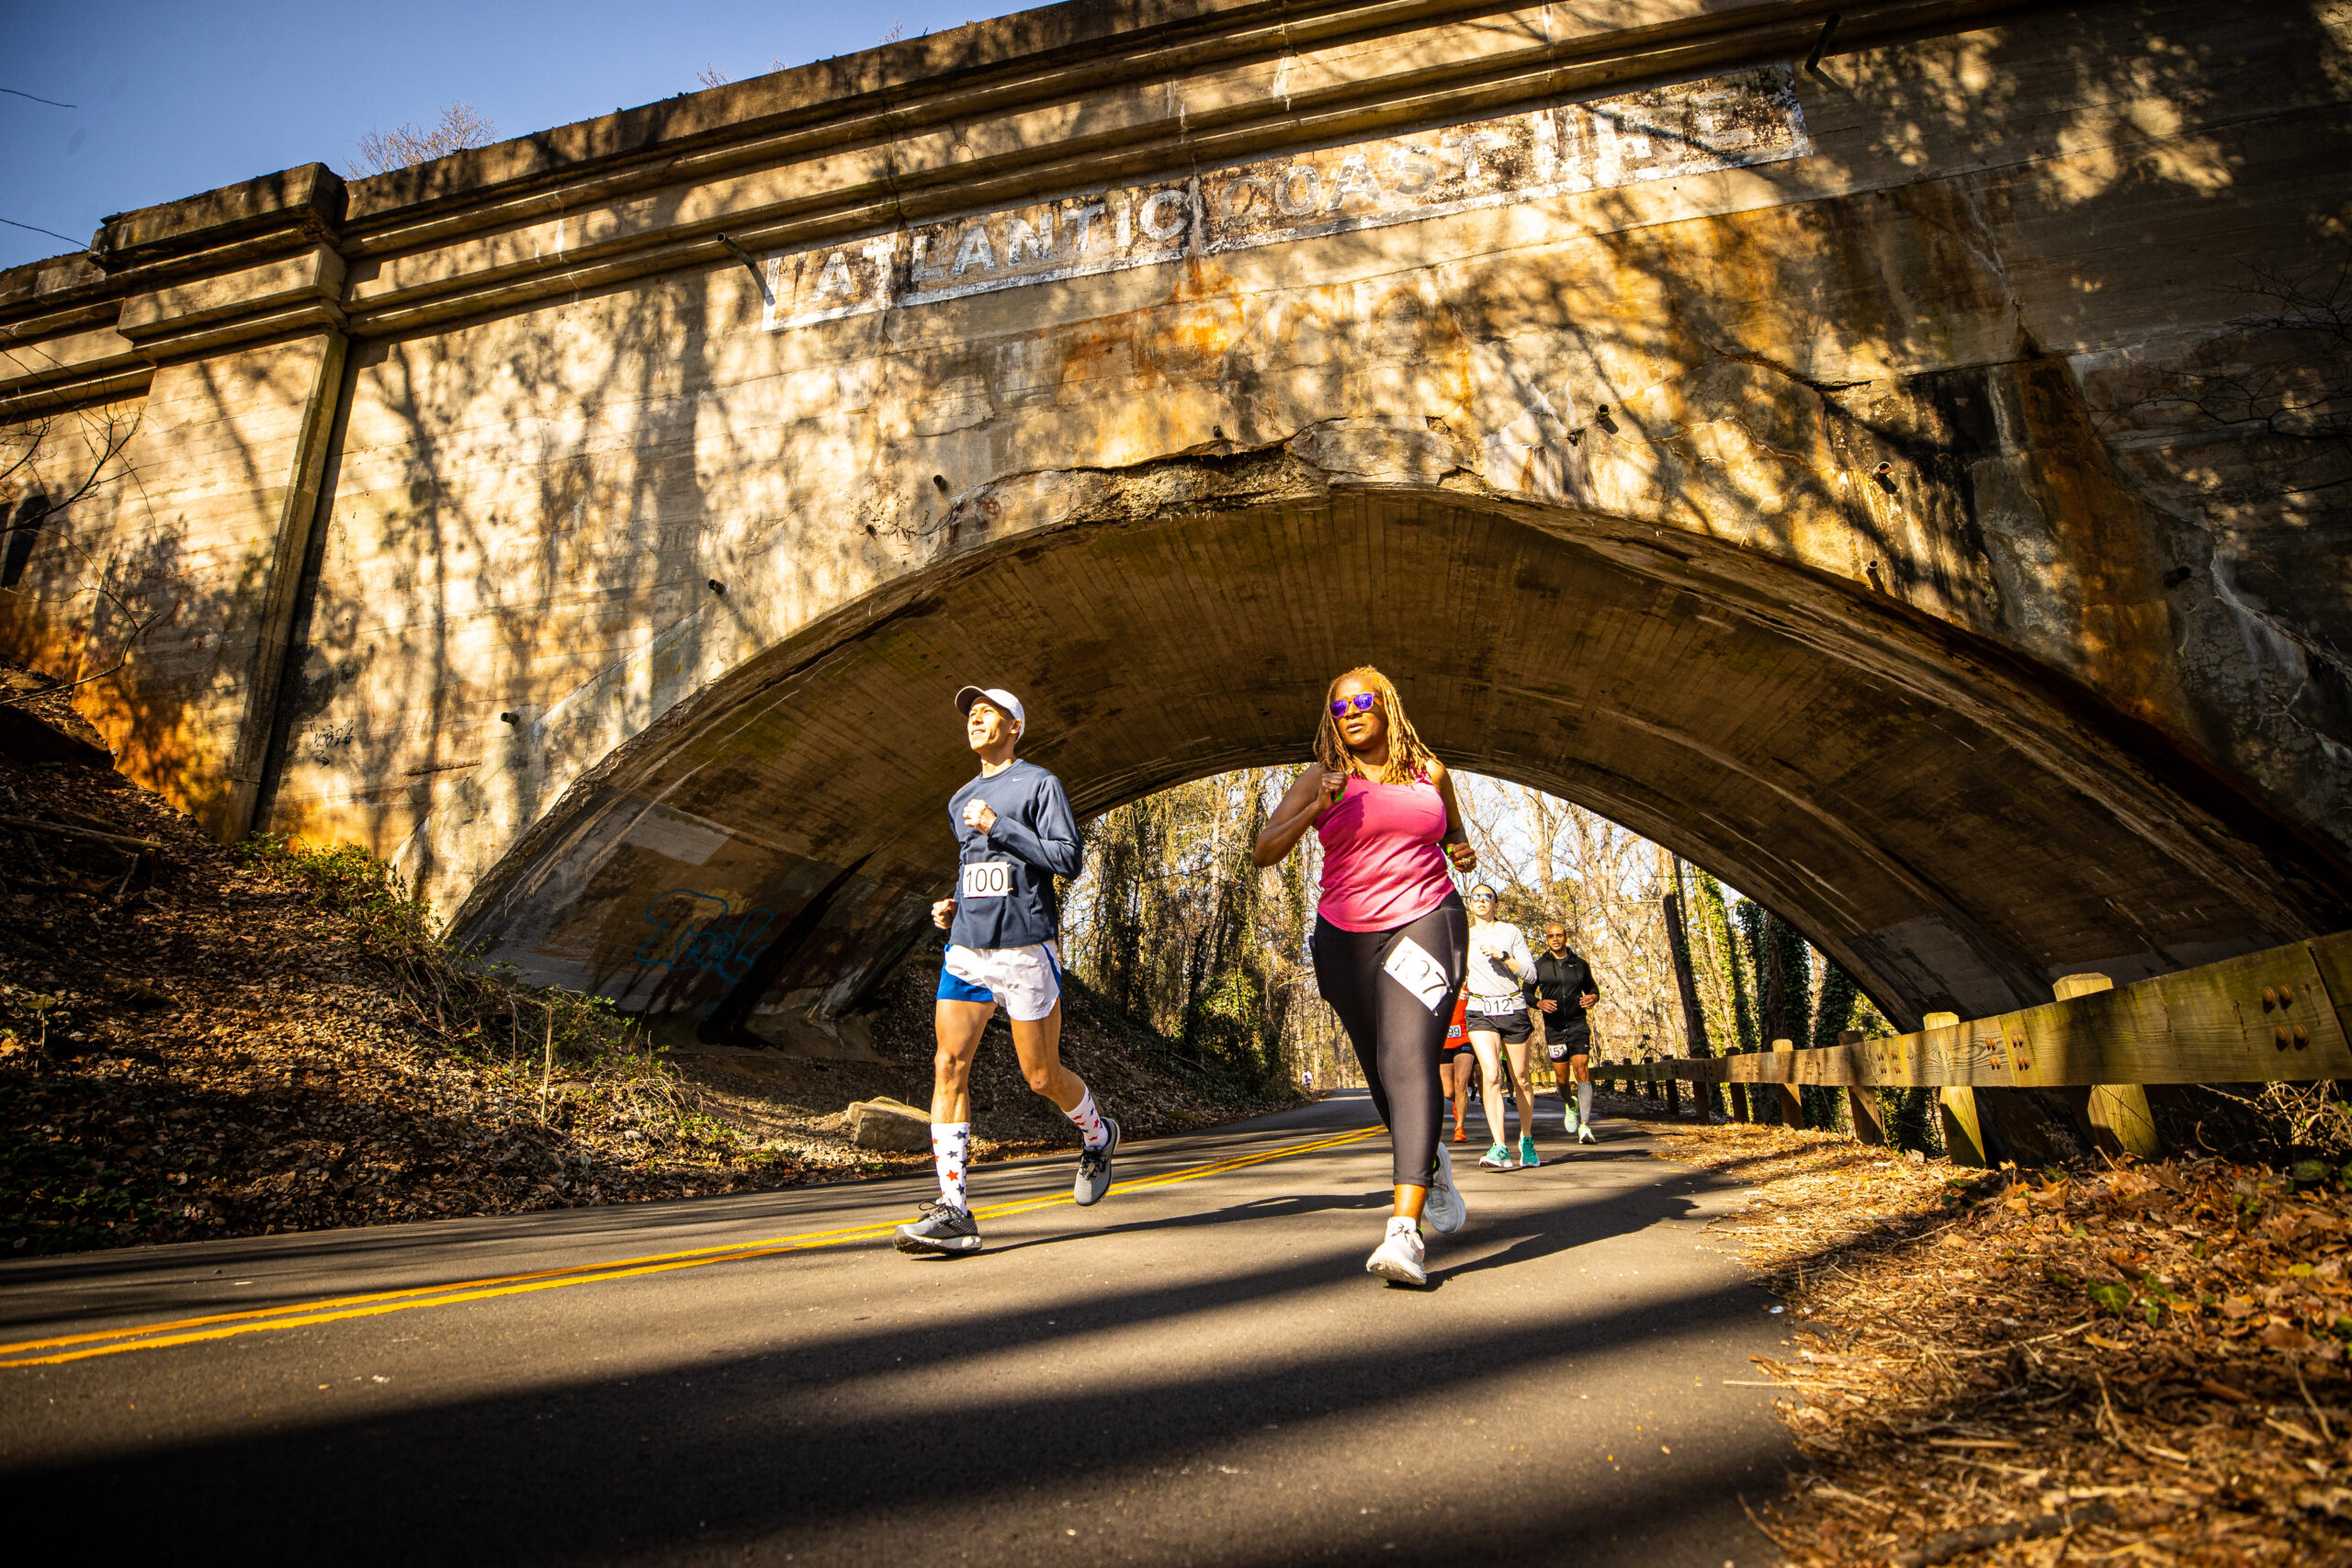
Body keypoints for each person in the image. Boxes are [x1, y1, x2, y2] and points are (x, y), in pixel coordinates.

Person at [1254, 666, 1476, 1287]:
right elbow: (1264, 848)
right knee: (1380, 1067)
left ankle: (1404, 1229)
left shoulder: (1428, 771)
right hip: (1345, 935)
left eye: (1362, 700)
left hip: (1427, 918)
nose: (1350, 710)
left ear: (1386, 705)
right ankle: (1427, 1156)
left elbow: (1451, 825)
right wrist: (1315, 809)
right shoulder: (1321, 778)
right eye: (1339, 705)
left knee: (1407, 1057)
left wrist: (1459, 845)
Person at [896, 686, 1119, 1257]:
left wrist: (1001, 825)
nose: (975, 717)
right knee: (948, 1064)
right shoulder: (959, 798)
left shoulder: (1039, 784)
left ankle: (1097, 1133)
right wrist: (953, 905)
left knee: (1040, 1076)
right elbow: (980, 869)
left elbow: (1067, 859)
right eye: (970, 712)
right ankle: (954, 1212)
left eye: (987, 711)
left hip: (1025, 948)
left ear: (1014, 725)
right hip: (968, 947)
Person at [1464, 885, 1541, 1169]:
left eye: (1487, 897)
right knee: (1492, 1074)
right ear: (1471, 904)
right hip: (1480, 1009)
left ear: (1496, 904)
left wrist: (1504, 956)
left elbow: (1531, 975)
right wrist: (1459, 985)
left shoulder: (1510, 932)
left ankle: (1527, 1139)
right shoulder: (1465, 935)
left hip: (1512, 1006)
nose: (1481, 900)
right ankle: (1499, 1146)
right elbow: (1455, 968)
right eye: (1476, 897)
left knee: (1520, 1077)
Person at [1532, 921, 1601, 1145]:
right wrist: (1538, 1003)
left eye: (1559, 935)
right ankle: (1570, 1104)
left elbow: (1593, 988)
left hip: (1577, 1024)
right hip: (1554, 1028)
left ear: (1566, 937)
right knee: (1562, 1080)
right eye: (1551, 935)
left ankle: (1585, 1125)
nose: (1555, 939)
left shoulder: (1579, 964)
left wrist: (1593, 997)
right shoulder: (1539, 965)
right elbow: (1525, 992)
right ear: (1547, 939)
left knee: (1581, 1069)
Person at [1442, 989, 1474, 1143]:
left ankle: (1460, 1128)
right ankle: (1457, 1102)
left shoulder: (1467, 986)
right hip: (1444, 1042)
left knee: (1461, 1083)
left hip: (1465, 1039)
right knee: (1449, 1092)